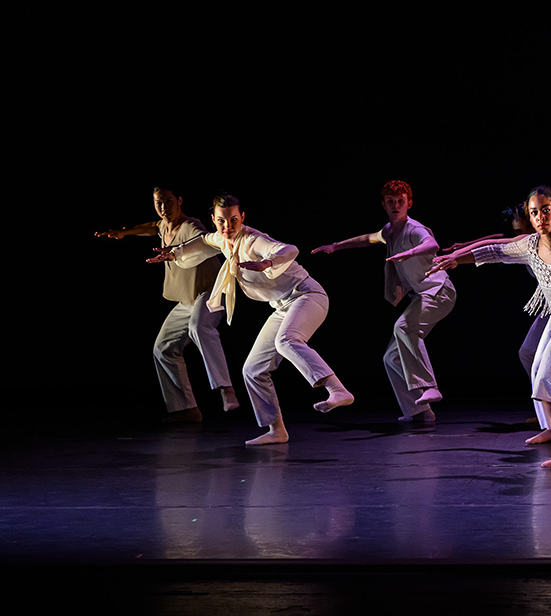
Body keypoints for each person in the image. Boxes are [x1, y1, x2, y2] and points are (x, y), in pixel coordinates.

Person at [428, 185, 551, 467]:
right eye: (534, 213)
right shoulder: (529, 245)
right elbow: (494, 250)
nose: (540, 217)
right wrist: (455, 260)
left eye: (545, 210)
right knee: (545, 386)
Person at [147, 193, 353, 445]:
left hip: (307, 296)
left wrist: (268, 262)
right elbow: (202, 242)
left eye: (233, 220)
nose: (228, 226)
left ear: (242, 217)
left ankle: (337, 389)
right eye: (222, 221)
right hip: (281, 306)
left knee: (286, 341)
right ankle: (276, 430)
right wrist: (174, 254)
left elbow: (290, 250)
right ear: (213, 219)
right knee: (252, 369)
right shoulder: (220, 239)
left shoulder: (254, 240)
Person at [311, 180, 455, 425]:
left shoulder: (413, 229)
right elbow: (367, 238)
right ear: (384, 205)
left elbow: (432, 244)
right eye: (391, 202)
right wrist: (336, 246)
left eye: (400, 201)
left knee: (403, 327)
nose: (396, 205)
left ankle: (430, 387)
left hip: (439, 291)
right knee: (391, 357)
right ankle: (419, 411)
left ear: (409, 203)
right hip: (423, 295)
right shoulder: (389, 231)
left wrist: (410, 252)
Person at [95, 185, 237, 422]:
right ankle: (186, 409)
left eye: (168, 202)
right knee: (163, 349)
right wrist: (125, 232)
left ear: (179, 201)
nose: (163, 207)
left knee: (199, 326)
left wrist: (177, 251)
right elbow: (152, 227)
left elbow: (204, 241)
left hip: (210, 293)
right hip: (187, 299)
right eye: (158, 202)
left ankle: (226, 389)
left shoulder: (191, 226)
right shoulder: (163, 226)